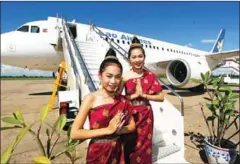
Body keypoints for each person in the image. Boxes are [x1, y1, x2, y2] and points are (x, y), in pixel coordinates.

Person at [70, 48, 136, 164]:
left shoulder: (123, 100)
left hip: (117, 151)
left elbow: (132, 126)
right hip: (97, 152)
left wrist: (119, 130)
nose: (113, 81)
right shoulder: (90, 99)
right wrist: (108, 130)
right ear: (100, 75)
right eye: (109, 76)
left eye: (117, 77)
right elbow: (75, 133)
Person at [119, 36, 164, 164]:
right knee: (129, 145)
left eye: (140, 56)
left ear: (144, 57)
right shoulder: (125, 76)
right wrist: (133, 96)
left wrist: (145, 96)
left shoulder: (150, 75)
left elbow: (161, 97)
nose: (137, 60)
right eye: (134, 57)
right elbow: (118, 98)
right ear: (129, 60)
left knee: (145, 147)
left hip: (146, 116)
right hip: (130, 115)